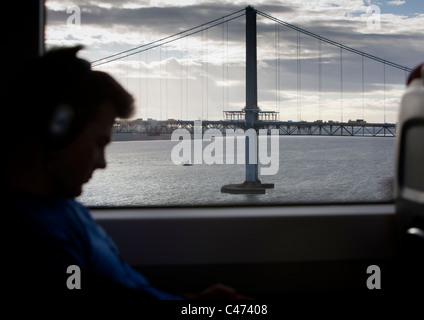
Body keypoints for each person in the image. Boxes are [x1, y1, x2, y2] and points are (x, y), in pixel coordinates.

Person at [2, 46, 251, 304]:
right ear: (57, 131)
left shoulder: (66, 209)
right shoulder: (39, 241)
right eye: (99, 143)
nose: (102, 163)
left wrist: (194, 302)